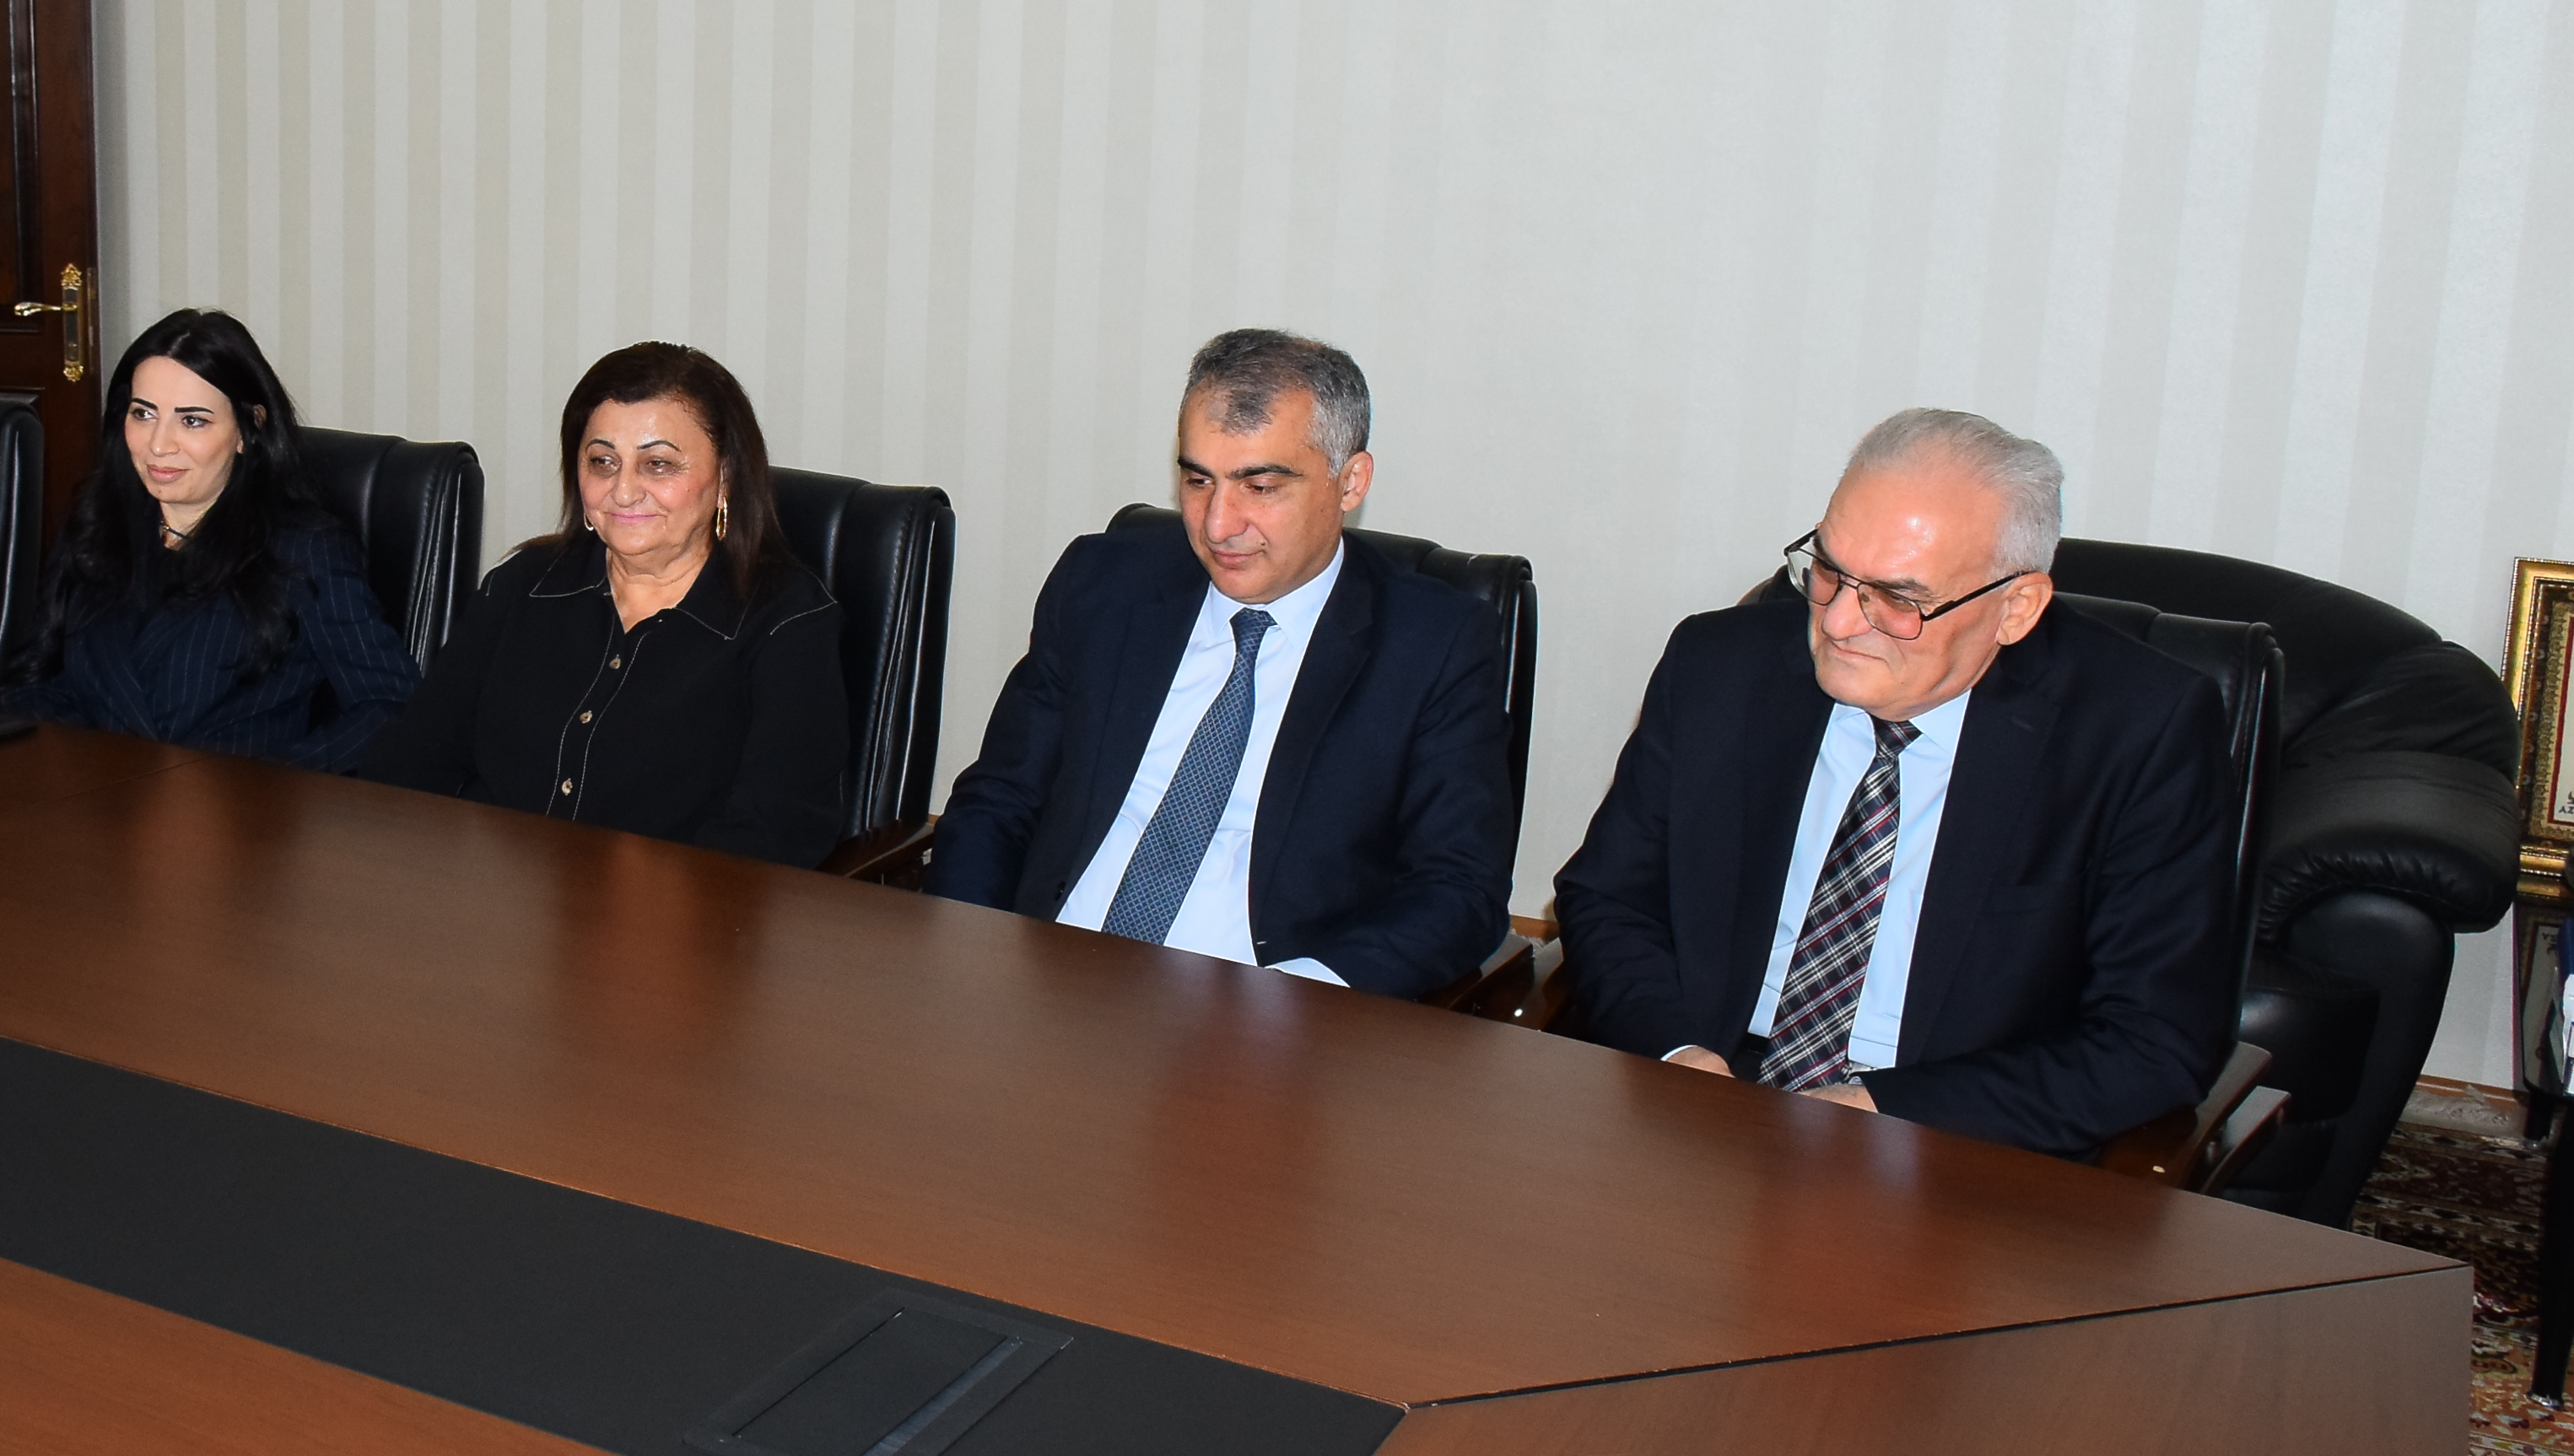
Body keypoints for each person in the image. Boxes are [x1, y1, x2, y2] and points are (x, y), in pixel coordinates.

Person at [1554, 408, 2236, 1158]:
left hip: (1949, 1127)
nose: (1839, 622)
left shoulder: (2138, 730)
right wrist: (1678, 1055)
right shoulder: (1720, 668)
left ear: (2016, 609)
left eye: (1899, 599)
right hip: (1708, 1101)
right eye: (1828, 570)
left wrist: (1873, 1112)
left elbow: (2155, 1037)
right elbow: (1610, 898)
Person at [923, 329, 1514, 995]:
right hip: (1043, 982)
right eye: (1197, 480)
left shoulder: (1434, 645)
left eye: (1259, 486)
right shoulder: (1104, 586)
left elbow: (1460, 888)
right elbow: (999, 800)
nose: (1217, 525)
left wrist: (1300, 1001)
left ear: (1350, 482)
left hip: (1265, 1017)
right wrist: (968, 958)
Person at [359, 342, 845, 866]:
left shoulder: (786, 621)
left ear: (726, 475)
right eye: (603, 462)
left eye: (659, 464)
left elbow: (774, 839)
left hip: (674, 912)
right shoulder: (525, 584)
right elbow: (411, 763)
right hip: (486, 893)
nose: (624, 491)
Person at [2, 310, 418, 768]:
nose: (159, 444)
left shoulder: (304, 549)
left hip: (241, 805)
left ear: (248, 429)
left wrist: (270, 787)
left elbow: (388, 704)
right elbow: (36, 679)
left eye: (192, 421)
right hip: (97, 794)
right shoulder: (96, 522)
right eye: (143, 414)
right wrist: (86, 764)